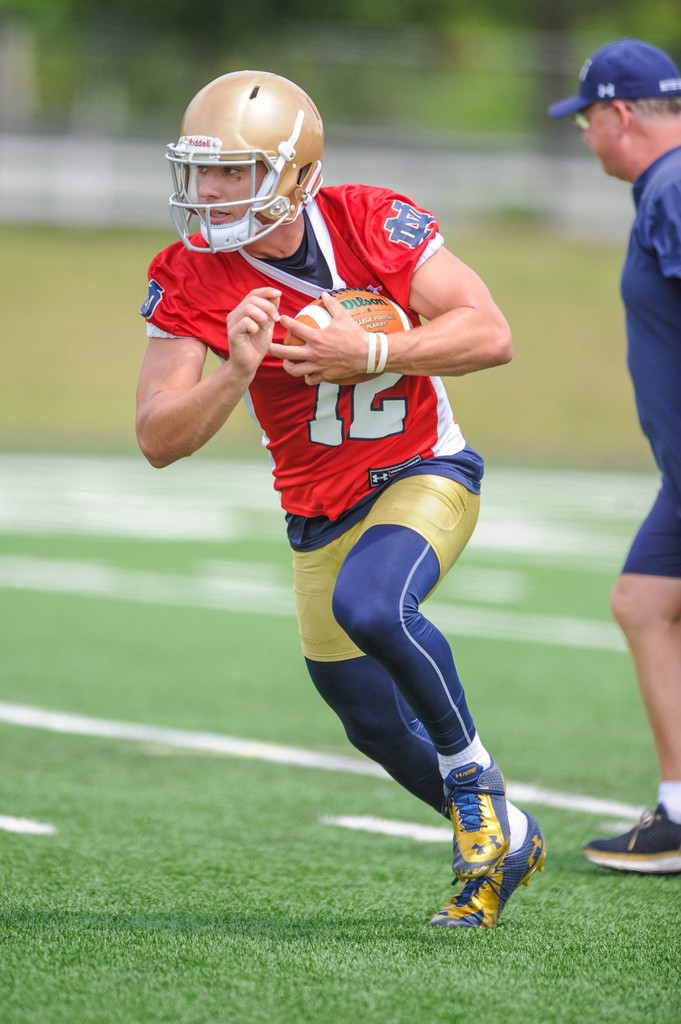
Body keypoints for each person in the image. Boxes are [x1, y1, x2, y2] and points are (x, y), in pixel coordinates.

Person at [136, 69, 546, 925]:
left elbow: (490, 333)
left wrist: (370, 354)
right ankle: (507, 841)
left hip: (422, 470)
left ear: (294, 173)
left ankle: (474, 777)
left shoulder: (367, 220)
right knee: (366, 719)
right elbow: (157, 437)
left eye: (233, 172)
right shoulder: (187, 274)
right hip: (316, 506)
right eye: (199, 171)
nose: (208, 191)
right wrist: (234, 376)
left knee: (373, 607)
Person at [549, 38, 681, 873]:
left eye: (588, 120)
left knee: (642, 602)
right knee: (643, 602)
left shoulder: (670, 187)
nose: (585, 135)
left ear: (618, 115)